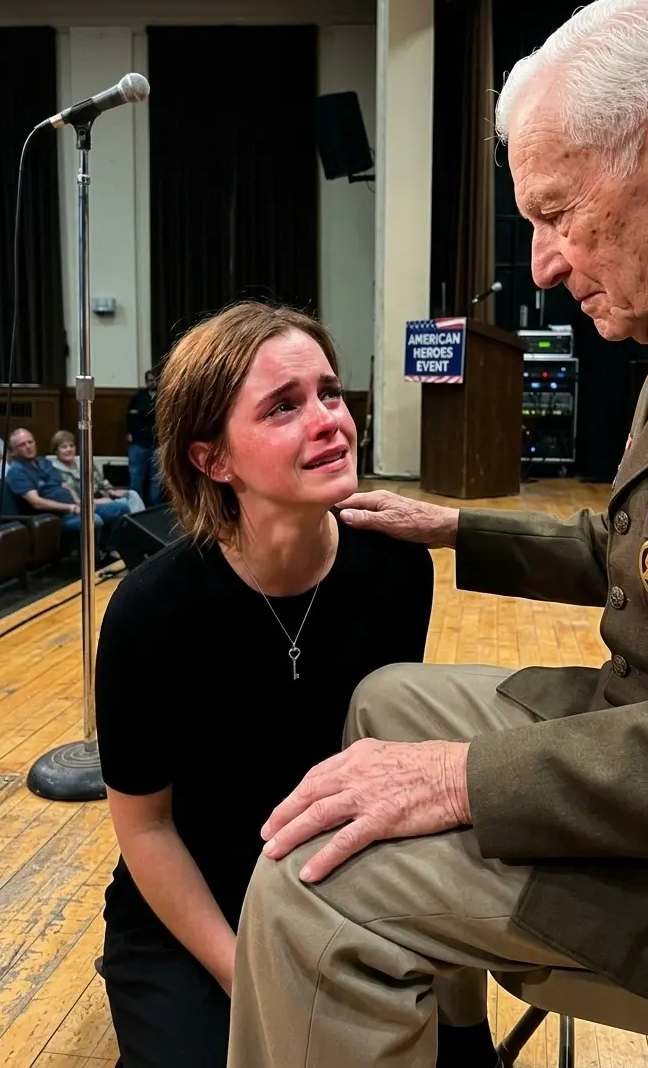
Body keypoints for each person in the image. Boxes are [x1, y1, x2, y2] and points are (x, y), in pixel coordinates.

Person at [226, 0, 648, 1068]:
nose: (545, 264)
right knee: (384, 702)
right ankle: (447, 1043)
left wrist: (462, 782)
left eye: (557, 215)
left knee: (309, 881)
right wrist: (460, 530)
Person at [94, 302, 489, 1068]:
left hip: (337, 884)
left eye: (330, 393)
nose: (329, 421)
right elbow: (145, 831)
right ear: (214, 459)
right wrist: (244, 972)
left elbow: (383, 774)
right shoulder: (150, 611)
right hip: (195, 908)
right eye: (283, 406)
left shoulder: (395, 568)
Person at [6, 429, 127, 564]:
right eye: (22, 445)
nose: (28, 446)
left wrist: (78, 502)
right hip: (56, 514)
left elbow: (64, 485)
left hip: (73, 506)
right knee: (94, 519)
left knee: (121, 507)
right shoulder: (17, 471)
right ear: (13, 451)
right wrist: (70, 508)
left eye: (30, 442)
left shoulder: (43, 462)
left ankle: (107, 549)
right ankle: (92, 562)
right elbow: (36, 502)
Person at [48, 430, 145, 515]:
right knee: (125, 505)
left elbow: (101, 482)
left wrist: (111, 491)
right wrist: (98, 501)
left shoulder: (85, 462)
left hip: (102, 497)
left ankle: (139, 526)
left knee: (132, 495)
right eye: (64, 447)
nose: (69, 450)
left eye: (71, 446)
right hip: (84, 506)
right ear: (56, 451)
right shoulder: (55, 471)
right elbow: (72, 499)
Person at [126, 370, 160, 507]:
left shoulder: (164, 395)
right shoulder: (138, 396)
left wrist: (140, 413)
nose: (153, 383)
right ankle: (135, 508)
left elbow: (159, 414)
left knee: (156, 480)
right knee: (136, 477)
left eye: (155, 380)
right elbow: (129, 415)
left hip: (158, 443)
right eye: (150, 380)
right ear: (146, 382)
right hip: (138, 442)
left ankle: (153, 510)